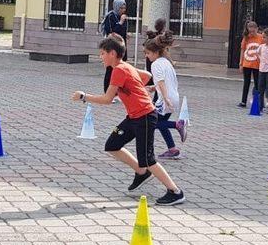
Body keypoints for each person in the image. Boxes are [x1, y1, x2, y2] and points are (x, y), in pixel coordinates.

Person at [71, 35, 185, 206]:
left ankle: (175, 192)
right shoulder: (124, 66)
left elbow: (108, 99)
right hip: (133, 117)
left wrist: (84, 96)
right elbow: (146, 75)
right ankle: (141, 172)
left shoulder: (119, 70)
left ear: (112, 53)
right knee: (112, 144)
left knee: (148, 159)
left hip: (145, 116)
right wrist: (137, 88)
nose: (100, 57)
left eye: (102, 53)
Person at [143, 31, 186, 160]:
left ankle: (178, 125)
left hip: (165, 99)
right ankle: (172, 149)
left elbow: (161, 82)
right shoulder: (166, 62)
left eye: (148, 53)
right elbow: (164, 82)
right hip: (174, 96)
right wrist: (154, 88)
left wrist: (165, 98)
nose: (146, 56)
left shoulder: (156, 64)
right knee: (161, 122)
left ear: (156, 52)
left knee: (152, 123)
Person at [101, 0, 128, 93]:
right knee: (110, 70)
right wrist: (120, 22)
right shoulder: (110, 16)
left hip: (121, 46)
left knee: (120, 70)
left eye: (124, 8)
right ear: (116, 7)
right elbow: (111, 32)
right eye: (121, 8)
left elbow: (122, 32)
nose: (123, 10)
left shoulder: (123, 17)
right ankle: (107, 91)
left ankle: (118, 92)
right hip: (112, 47)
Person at [237, 20, 262, 108]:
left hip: (257, 64)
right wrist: (240, 63)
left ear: (257, 29)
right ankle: (243, 101)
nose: (252, 33)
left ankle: (257, 102)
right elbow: (243, 50)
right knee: (246, 83)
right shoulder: (246, 38)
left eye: (253, 31)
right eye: (250, 31)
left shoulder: (261, 38)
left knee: (257, 83)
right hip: (247, 63)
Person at [145, 18, 168, 104]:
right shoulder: (160, 38)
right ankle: (155, 99)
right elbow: (165, 51)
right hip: (154, 59)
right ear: (163, 27)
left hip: (150, 59)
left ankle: (153, 98)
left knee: (154, 80)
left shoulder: (154, 35)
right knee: (158, 80)